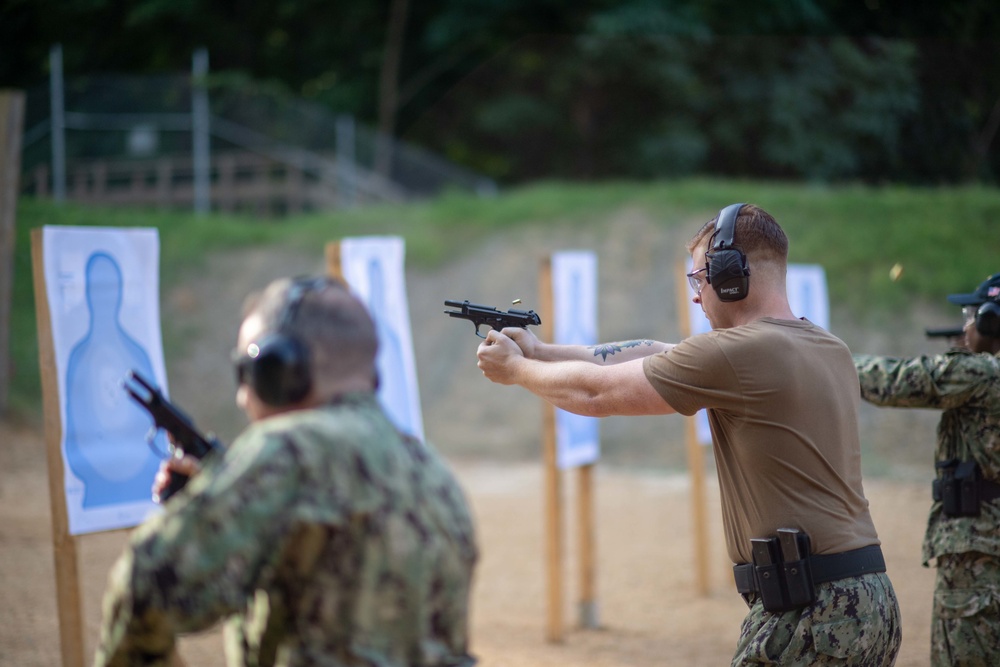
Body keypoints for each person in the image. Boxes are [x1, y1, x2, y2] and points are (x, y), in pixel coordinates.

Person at [476, 203, 901, 666]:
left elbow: (595, 395)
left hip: (813, 614)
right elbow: (655, 353)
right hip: (866, 597)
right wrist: (542, 350)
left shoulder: (741, 353)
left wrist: (517, 371)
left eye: (700, 278)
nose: (697, 295)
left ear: (731, 274)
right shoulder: (824, 345)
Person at [94, 276, 478, 667]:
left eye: (247, 371)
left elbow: (146, 582)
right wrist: (222, 500)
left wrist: (198, 515)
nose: (242, 396)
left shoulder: (289, 452)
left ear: (280, 370)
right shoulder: (435, 476)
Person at [854, 273, 1000, 666]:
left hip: (980, 559)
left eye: (972, 315)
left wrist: (826, 359)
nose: (966, 324)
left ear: (992, 321)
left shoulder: (981, 373)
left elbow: (894, 382)